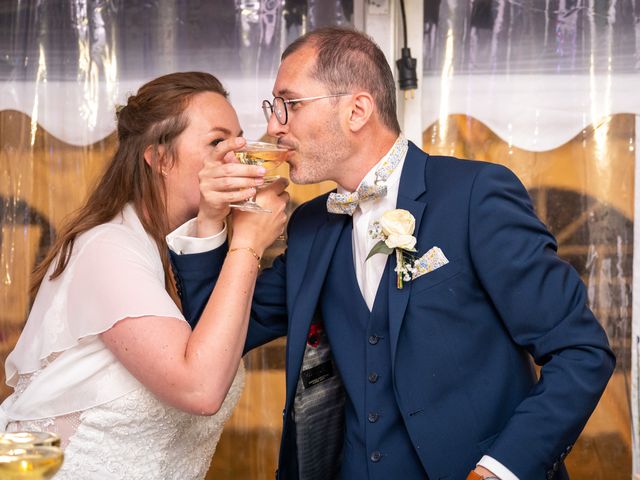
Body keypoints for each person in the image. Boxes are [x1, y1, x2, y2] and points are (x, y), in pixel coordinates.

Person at [169, 28, 615, 480]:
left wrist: (499, 472)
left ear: (357, 110)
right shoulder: (310, 227)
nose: (273, 128)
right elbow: (216, 335)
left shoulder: (475, 194)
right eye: (274, 108)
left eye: (290, 104)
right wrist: (210, 221)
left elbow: (580, 352)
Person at [0, 72, 288, 480]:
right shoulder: (107, 248)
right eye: (217, 141)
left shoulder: (196, 253)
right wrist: (250, 244)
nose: (237, 154)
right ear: (159, 158)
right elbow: (200, 389)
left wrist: (219, 230)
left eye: (239, 140)